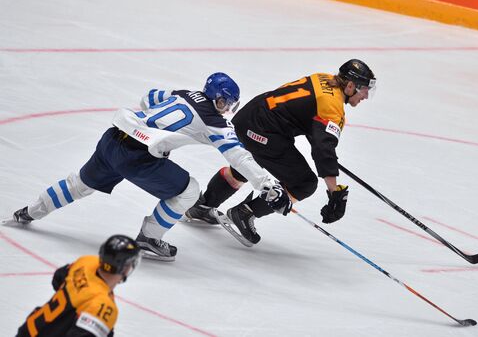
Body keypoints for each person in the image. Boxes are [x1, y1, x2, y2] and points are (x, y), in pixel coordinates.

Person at [11, 73, 291, 259]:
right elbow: (239, 156)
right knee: (189, 191)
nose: (226, 109)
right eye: (226, 103)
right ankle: (149, 237)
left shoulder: (183, 93)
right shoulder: (215, 122)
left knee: (79, 185)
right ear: (219, 99)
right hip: (137, 157)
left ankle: (29, 212)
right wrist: (266, 185)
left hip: (111, 140)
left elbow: (149, 97)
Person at [186, 59, 376, 244]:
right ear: (350, 86)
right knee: (304, 183)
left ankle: (203, 206)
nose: (366, 96)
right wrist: (334, 192)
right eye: (364, 90)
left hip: (250, 116)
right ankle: (245, 213)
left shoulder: (324, 78)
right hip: (263, 130)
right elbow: (323, 149)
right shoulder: (333, 107)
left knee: (248, 164)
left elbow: (308, 120)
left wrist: (322, 146)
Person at [16, 234, 141, 337]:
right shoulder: (103, 306)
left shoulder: (86, 262)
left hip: (29, 330)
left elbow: (58, 278)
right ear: (124, 269)